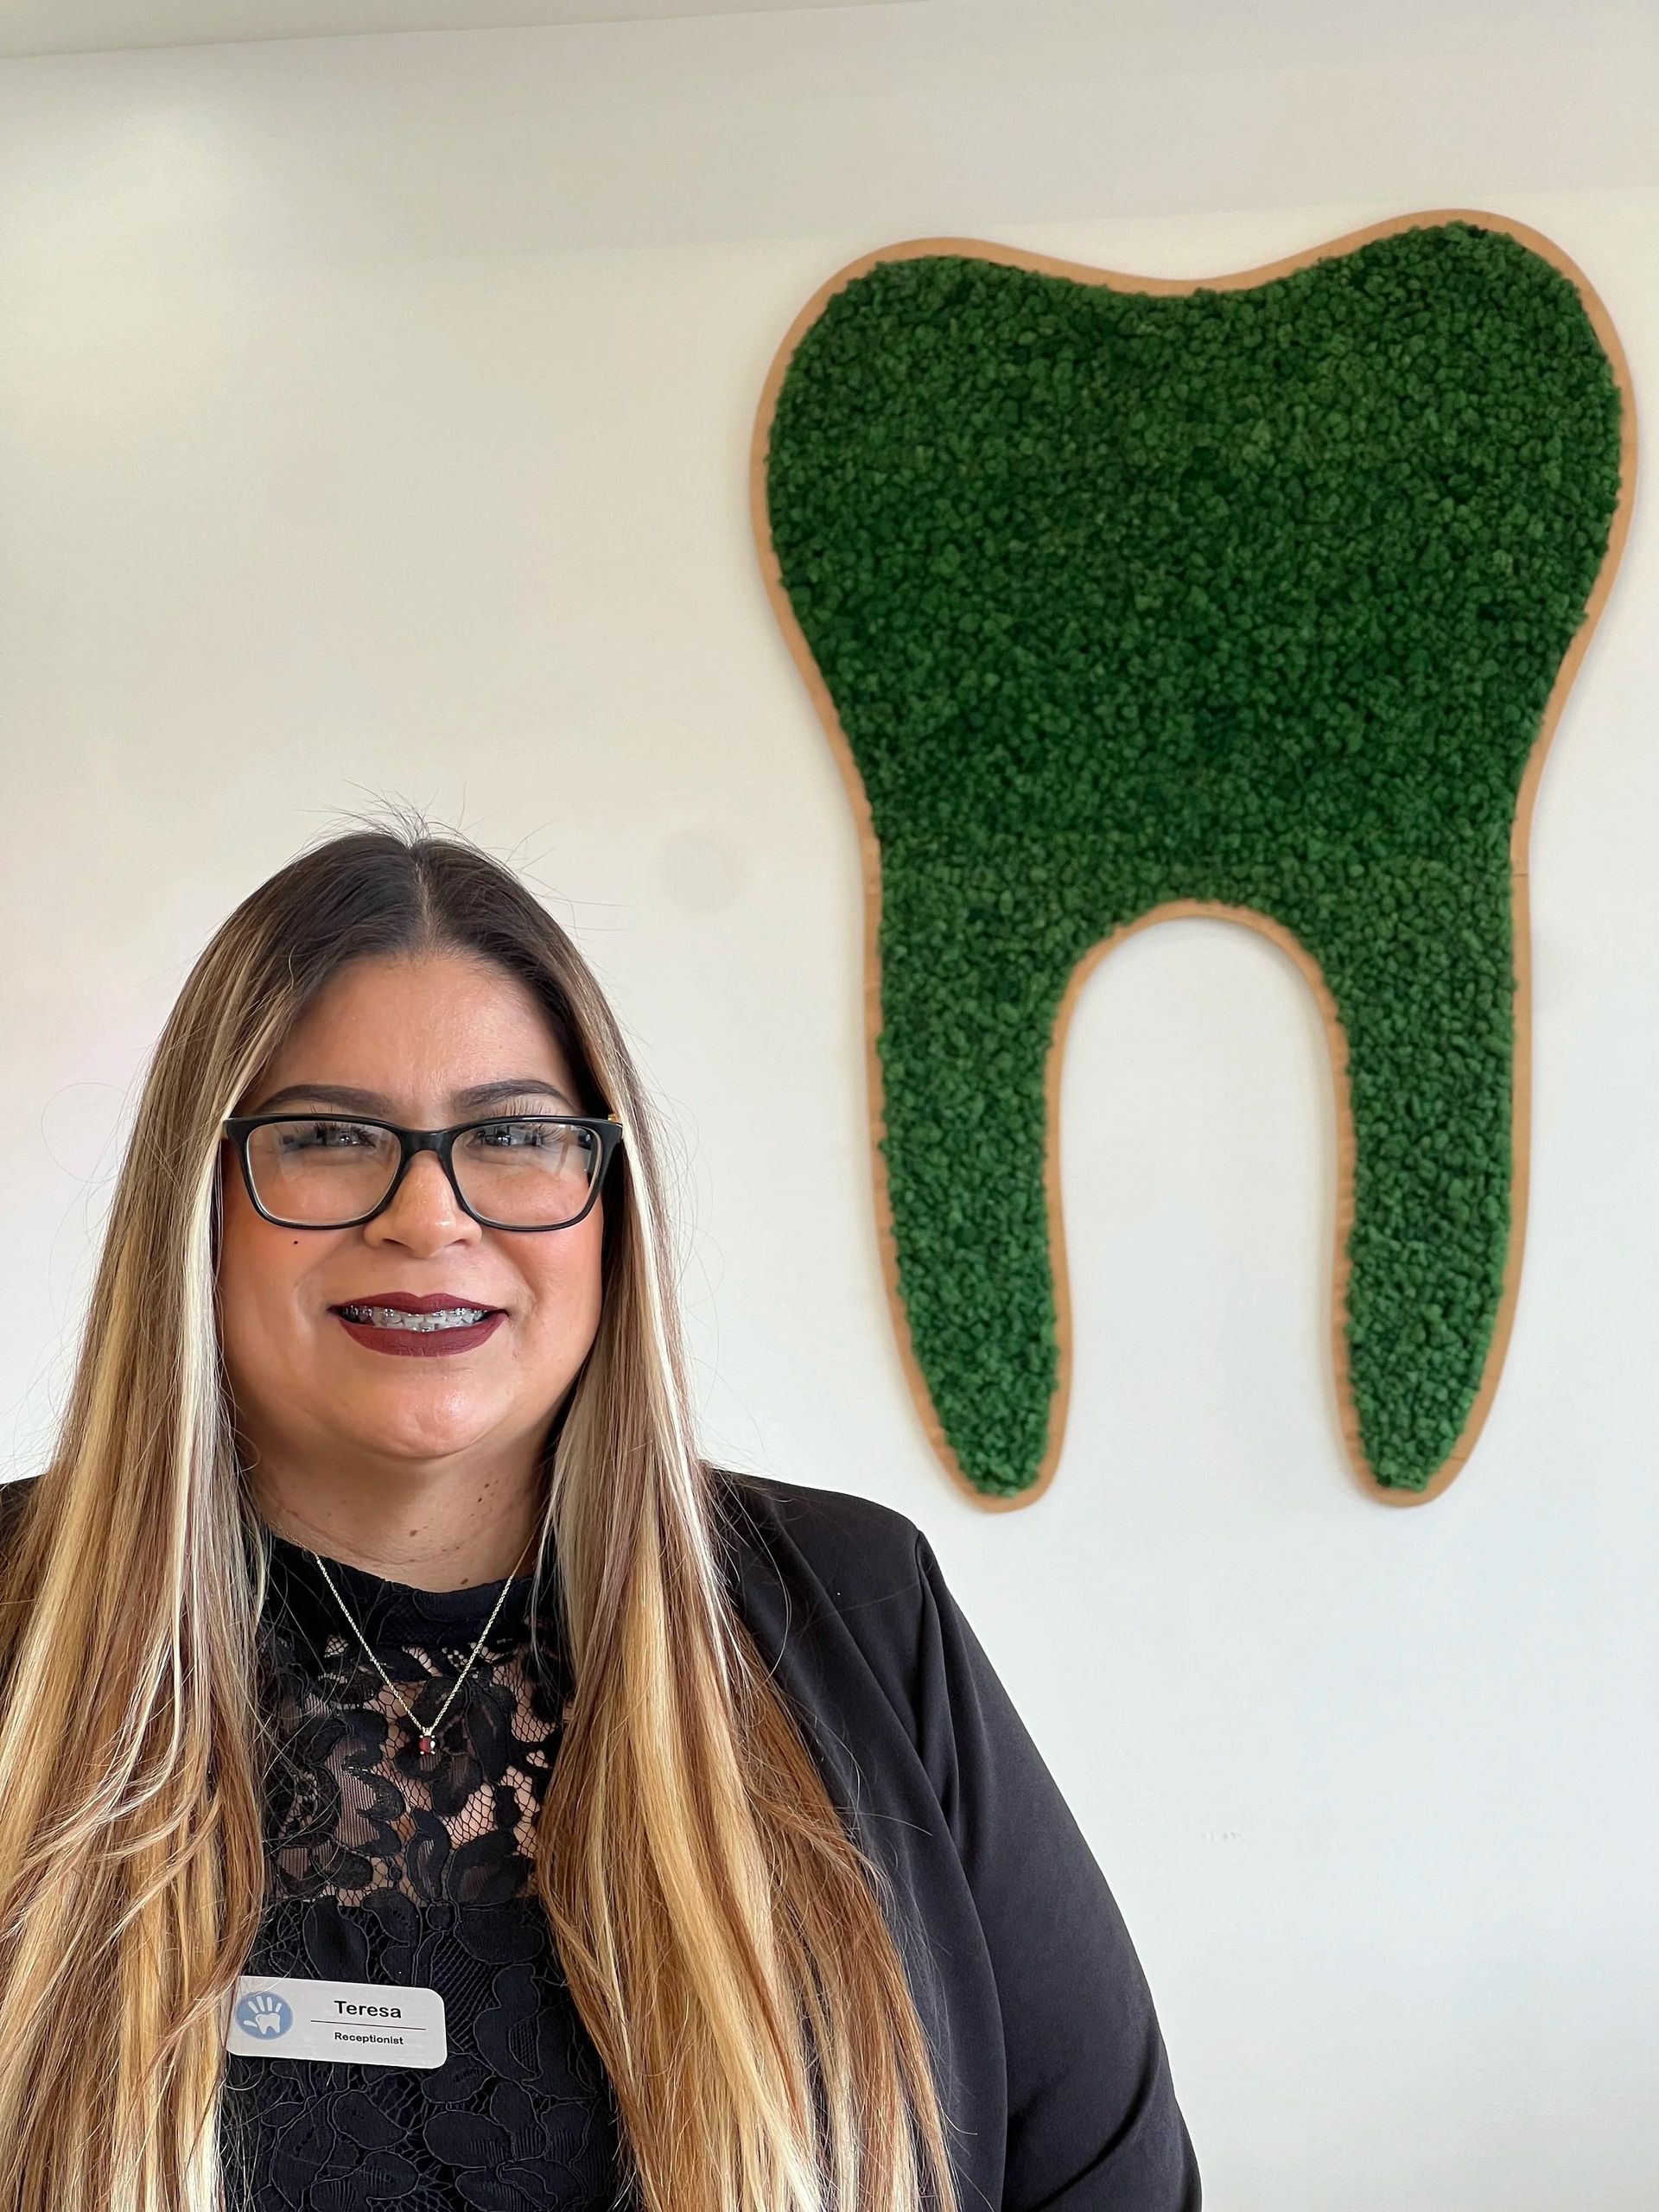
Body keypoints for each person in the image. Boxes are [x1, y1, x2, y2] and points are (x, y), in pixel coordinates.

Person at [0, 816, 1201, 2212]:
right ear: (196, 1203)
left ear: (607, 1204)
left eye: (511, 1135)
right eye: (328, 1137)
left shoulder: (861, 1613)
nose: (429, 1217)